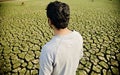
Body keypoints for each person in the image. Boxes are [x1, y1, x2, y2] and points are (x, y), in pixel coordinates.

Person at [39, 1, 83, 75]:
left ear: (49, 21)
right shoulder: (78, 37)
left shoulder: (48, 50)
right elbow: (80, 56)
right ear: (67, 18)